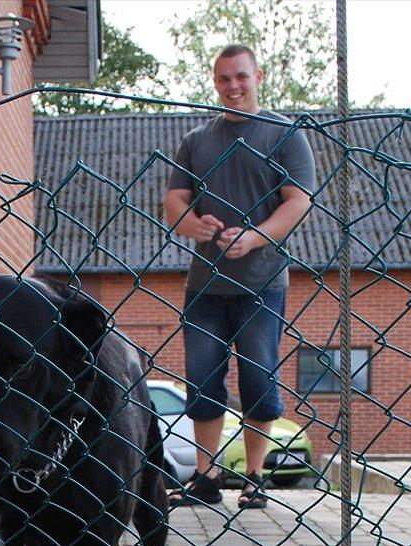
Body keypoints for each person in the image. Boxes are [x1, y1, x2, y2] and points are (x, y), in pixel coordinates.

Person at [164, 43, 315, 509]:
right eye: (225, 78)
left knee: (258, 378)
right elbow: (173, 203)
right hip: (204, 286)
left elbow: (298, 200)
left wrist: (256, 238)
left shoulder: (284, 135)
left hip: (262, 284)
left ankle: (254, 479)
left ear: (258, 77)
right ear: (215, 82)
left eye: (241, 77)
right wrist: (195, 224)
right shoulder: (196, 140)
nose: (233, 86)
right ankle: (205, 480)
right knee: (203, 380)